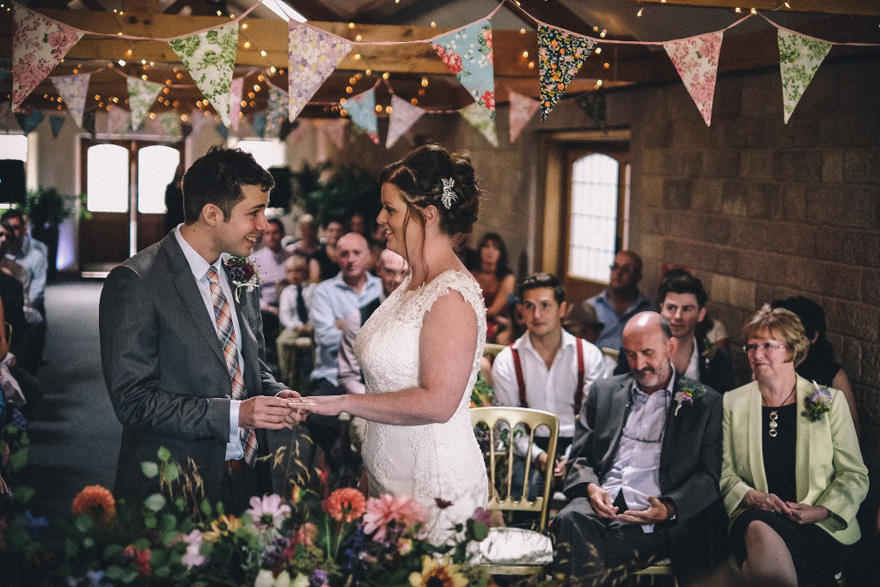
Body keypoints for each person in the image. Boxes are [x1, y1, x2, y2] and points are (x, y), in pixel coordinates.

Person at [299, 144, 488, 545]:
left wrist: (346, 403)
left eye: (391, 209)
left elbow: (438, 403)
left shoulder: (450, 295)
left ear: (427, 215)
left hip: (433, 483)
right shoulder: (410, 284)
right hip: (388, 472)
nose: (381, 219)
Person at [99, 146, 305, 514]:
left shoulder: (243, 270)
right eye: (254, 212)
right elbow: (133, 402)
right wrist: (236, 414)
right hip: (175, 483)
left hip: (250, 476)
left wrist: (276, 392)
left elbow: (248, 362)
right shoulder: (135, 281)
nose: (265, 225)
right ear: (212, 213)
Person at [552, 312, 723, 585]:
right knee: (569, 518)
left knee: (586, 551)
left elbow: (709, 476)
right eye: (630, 354)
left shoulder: (704, 402)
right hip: (599, 505)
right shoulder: (605, 392)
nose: (639, 364)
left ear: (670, 348)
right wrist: (590, 487)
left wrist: (669, 508)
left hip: (650, 513)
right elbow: (579, 458)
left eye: (647, 353)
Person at [721, 305, 868, 586]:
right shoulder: (733, 403)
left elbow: (855, 474)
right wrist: (752, 497)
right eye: (751, 347)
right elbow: (725, 474)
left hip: (818, 527)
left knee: (757, 568)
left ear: (792, 350)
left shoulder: (828, 401)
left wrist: (822, 510)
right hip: (755, 516)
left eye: (768, 346)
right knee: (759, 526)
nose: (756, 354)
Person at [491, 273, 607, 500]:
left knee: (586, 498)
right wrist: (539, 456)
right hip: (528, 446)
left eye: (545, 305)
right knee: (523, 493)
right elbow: (508, 426)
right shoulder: (507, 360)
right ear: (520, 312)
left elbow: (595, 420)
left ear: (561, 309)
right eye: (529, 306)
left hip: (577, 444)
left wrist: (570, 457)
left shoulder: (589, 356)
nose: (537, 314)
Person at [305, 232, 381, 488]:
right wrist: (367, 332)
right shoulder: (323, 292)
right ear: (336, 258)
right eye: (344, 254)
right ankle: (338, 467)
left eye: (356, 253)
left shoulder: (383, 287)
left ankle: (365, 474)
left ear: (369, 256)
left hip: (375, 375)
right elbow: (325, 338)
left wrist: (346, 326)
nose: (350, 259)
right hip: (332, 373)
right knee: (316, 417)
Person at [614, 270, 736, 392]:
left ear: (701, 314)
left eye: (687, 309)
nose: (678, 316)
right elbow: (617, 394)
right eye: (671, 308)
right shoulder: (634, 354)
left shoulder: (719, 361)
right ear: (661, 310)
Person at [770, 296, 859, 434]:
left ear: (814, 336)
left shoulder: (832, 375)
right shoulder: (769, 368)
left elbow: (852, 434)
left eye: (795, 335)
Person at [587, 250, 652, 351]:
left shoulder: (648, 312)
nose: (618, 273)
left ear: (638, 276)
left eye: (626, 269)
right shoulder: (591, 307)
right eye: (615, 267)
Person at [275, 256, 315, 387]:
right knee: (281, 341)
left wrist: (311, 326)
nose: (294, 275)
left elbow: (318, 310)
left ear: (305, 272)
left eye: (298, 271)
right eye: (290, 272)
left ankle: (318, 373)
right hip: (295, 328)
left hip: (312, 327)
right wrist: (296, 326)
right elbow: (284, 315)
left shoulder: (313, 289)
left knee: (324, 340)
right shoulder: (287, 292)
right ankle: (286, 376)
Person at [470, 232, 515, 342]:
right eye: (486, 246)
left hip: (497, 326)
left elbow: (494, 311)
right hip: (472, 322)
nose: (490, 251)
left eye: (496, 248)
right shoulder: (471, 275)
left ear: (501, 253)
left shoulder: (507, 278)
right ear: (480, 250)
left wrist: (471, 313)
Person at [563, 300, 615, 376]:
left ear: (596, 334)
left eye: (583, 332)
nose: (578, 338)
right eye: (572, 333)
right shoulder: (558, 361)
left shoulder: (607, 364)